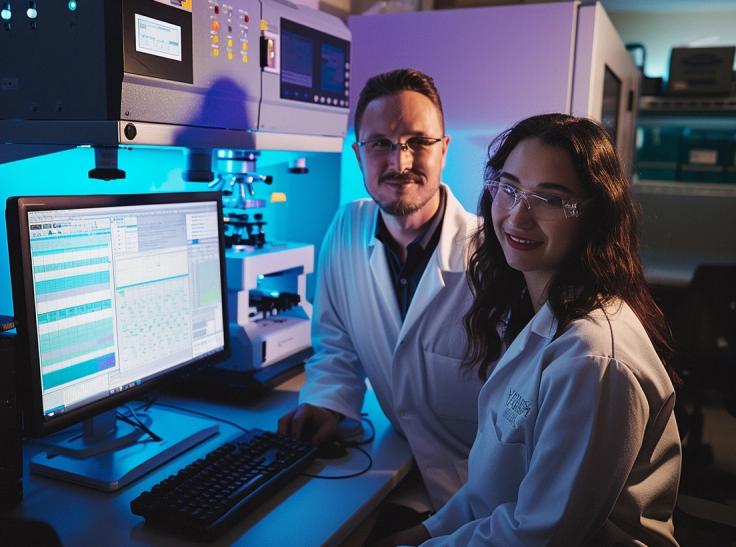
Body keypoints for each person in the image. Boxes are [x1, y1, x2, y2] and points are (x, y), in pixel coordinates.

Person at [384, 113, 682, 546]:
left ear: (593, 216)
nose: (518, 217)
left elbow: (537, 537)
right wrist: (420, 534)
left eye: (551, 200)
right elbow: (493, 493)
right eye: (510, 188)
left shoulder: (592, 359)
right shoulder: (538, 313)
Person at [278, 68, 484, 513]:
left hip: (485, 493)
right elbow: (336, 344)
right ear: (358, 154)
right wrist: (326, 401)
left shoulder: (492, 258)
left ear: (444, 149)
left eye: (418, 142)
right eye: (380, 144)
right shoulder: (347, 227)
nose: (399, 162)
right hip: (410, 473)